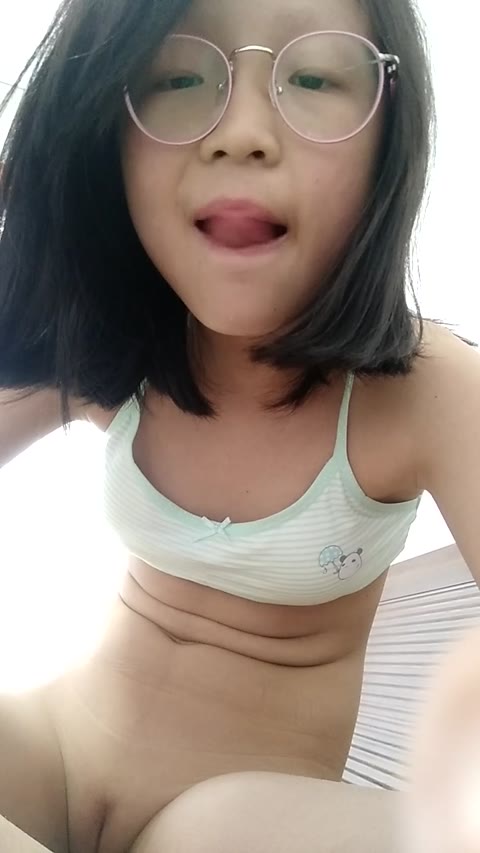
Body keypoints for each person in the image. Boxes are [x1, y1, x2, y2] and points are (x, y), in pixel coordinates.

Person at [0, 0, 479, 851]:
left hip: (244, 820)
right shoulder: (118, 346)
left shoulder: (422, 388)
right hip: (53, 754)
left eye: (316, 77)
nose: (242, 133)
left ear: (391, 135)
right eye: (178, 76)